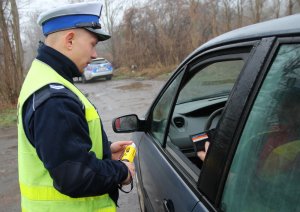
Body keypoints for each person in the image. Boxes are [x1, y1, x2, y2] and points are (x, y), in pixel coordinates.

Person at [17, 2, 134, 211]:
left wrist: (104, 152)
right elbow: (75, 176)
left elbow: (57, 151)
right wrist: (121, 171)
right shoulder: (55, 99)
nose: (94, 54)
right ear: (70, 40)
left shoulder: (44, 76)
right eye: (92, 44)